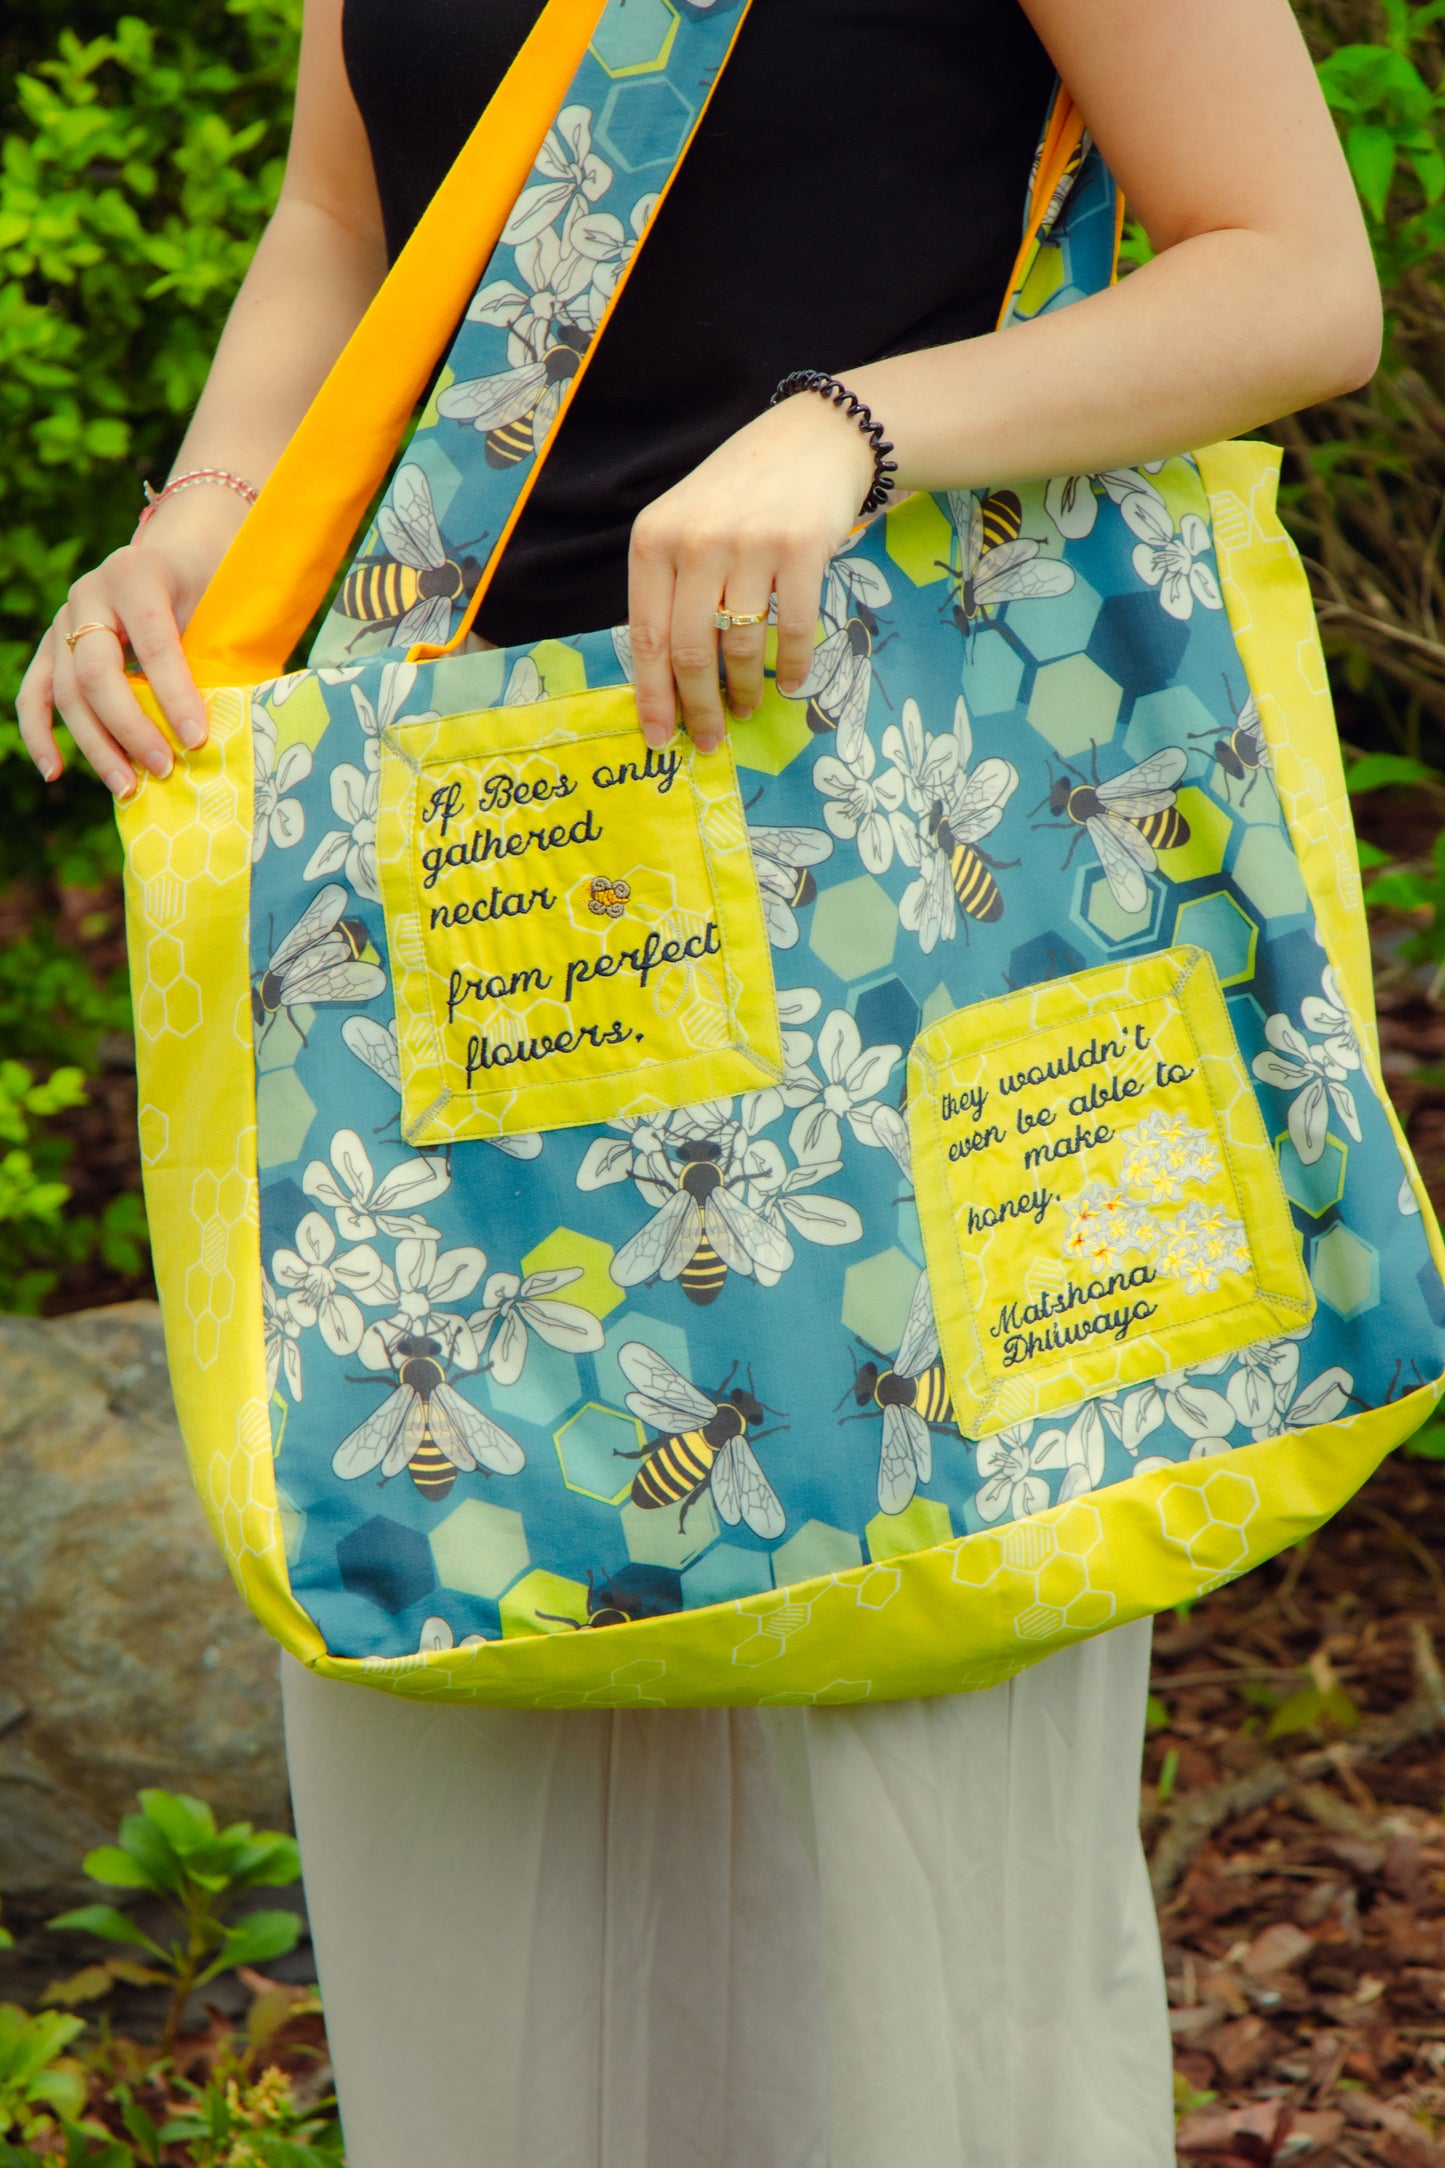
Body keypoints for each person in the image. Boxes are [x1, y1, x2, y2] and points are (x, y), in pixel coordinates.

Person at [17, 4, 1380, 2163]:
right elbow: (345, 212)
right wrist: (210, 515)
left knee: (885, 1925)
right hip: (471, 919)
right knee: (473, 1844)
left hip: (898, 920)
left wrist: (852, 429)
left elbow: (1297, 270)